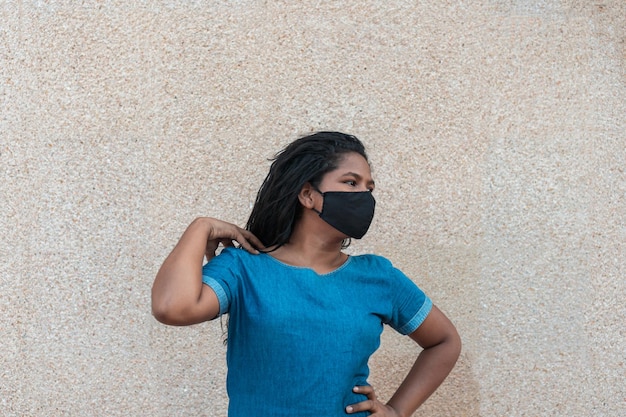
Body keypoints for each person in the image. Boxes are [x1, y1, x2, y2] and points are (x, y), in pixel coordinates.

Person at [152, 131, 461, 416]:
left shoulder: (378, 276)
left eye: (369, 188)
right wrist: (200, 227)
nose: (364, 196)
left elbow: (444, 341)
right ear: (307, 194)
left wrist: (397, 410)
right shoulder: (244, 267)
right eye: (351, 183)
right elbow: (172, 307)